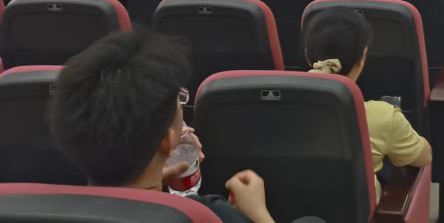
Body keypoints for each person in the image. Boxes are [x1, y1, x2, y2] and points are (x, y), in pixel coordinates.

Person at [48, 28, 291, 223]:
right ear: (168, 140)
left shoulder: (38, 211)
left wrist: (151, 179)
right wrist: (259, 215)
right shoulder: (208, 215)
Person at [303, 9, 431, 200]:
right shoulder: (382, 115)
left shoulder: (277, 112)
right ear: (363, 57)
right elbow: (424, 156)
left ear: (307, 56)